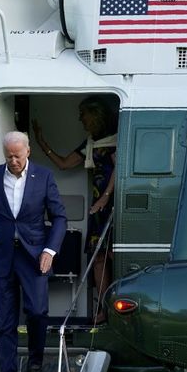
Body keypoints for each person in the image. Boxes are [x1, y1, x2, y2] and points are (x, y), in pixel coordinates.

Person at [0, 131, 67, 372]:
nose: (13, 160)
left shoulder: (43, 177)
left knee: (36, 310)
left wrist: (50, 250)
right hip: (2, 256)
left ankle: (36, 356)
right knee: (6, 322)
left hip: (34, 255)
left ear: (28, 151)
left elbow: (59, 217)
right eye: (9, 156)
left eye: (17, 155)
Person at [33, 96, 117, 323]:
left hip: (115, 204)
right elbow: (64, 163)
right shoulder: (91, 142)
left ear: (96, 115)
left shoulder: (116, 138)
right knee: (98, 257)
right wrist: (41, 143)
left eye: (83, 115)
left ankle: (118, 310)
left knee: (113, 255)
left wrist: (106, 198)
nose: (81, 120)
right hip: (98, 205)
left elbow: (120, 169)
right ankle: (105, 309)